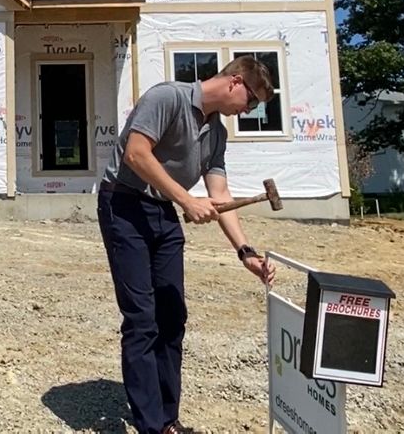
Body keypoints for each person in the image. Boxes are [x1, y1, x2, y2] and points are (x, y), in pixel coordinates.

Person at [96, 55, 278, 434]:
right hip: (124, 204)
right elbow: (136, 154)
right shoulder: (167, 98)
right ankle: (150, 426)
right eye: (252, 101)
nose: (249, 110)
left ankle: (167, 420)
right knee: (142, 319)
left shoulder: (217, 134)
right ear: (235, 82)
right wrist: (185, 199)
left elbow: (219, 194)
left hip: (162, 209)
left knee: (172, 316)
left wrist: (245, 251)